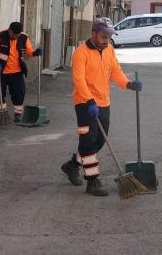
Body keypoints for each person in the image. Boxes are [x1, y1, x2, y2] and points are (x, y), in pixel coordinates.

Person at [61, 17, 143, 196]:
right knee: (88, 141)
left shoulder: (109, 51)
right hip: (85, 103)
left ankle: (72, 165)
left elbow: (115, 73)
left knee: (99, 141)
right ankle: (92, 181)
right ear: (93, 34)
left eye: (109, 35)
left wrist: (129, 84)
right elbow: (79, 80)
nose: (107, 39)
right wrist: (89, 101)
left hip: (104, 102)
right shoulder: (81, 53)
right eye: (104, 35)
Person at [0, 22, 43, 123]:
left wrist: (35, 53)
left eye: (17, 36)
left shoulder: (23, 37)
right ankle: (2, 114)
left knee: (19, 92)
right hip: (1, 70)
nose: (15, 37)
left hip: (16, 72)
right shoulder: (0, 36)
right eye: (13, 35)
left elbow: (29, 51)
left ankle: (18, 114)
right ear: (10, 30)